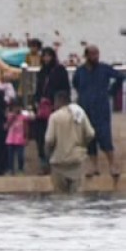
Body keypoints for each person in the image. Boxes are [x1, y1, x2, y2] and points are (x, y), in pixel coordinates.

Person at [72, 45, 125, 187]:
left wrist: (111, 92)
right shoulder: (80, 71)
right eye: (93, 54)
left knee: (104, 136)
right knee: (89, 138)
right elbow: (76, 84)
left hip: (101, 108)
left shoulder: (104, 68)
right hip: (86, 108)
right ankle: (94, 166)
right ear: (87, 55)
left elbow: (120, 77)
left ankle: (112, 165)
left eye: (97, 54)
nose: (95, 57)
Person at [45, 90, 95, 194]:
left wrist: (48, 155)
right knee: (77, 197)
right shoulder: (80, 114)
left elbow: (49, 140)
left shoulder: (54, 117)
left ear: (58, 102)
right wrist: (82, 145)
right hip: (77, 161)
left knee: (60, 199)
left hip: (59, 162)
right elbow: (90, 134)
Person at [32, 47, 71, 174]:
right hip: (42, 110)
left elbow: (65, 89)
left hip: (56, 108)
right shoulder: (42, 72)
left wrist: (59, 104)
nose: (46, 59)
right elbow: (38, 90)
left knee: (56, 136)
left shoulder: (60, 71)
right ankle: (45, 164)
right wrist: (36, 103)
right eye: (44, 56)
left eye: (49, 56)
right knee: (41, 137)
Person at [5, 98, 33, 175]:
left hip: (20, 139)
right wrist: (12, 118)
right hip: (11, 139)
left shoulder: (23, 117)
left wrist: (26, 137)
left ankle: (20, 168)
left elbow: (26, 127)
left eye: (18, 107)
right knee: (10, 156)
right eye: (14, 107)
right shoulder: (9, 115)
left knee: (20, 155)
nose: (16, 109)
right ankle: (11, 169)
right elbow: (6, 126)